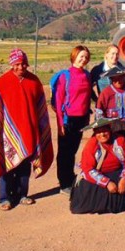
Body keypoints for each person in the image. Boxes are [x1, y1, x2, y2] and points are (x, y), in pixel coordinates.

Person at [0, 49, 54, 211]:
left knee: (24, 166)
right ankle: (5, 198)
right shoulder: (2, 83)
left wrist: (40, 129)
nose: (20, 67)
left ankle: (22, 194)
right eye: (17, 64)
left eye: (23, 63)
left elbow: (41, 110)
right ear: (11, 64)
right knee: (7, 165)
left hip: (29, 131)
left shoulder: (34, 82)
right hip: (7, 134)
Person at [70, 117, 125, 214]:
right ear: (95, 133)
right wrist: (107, 183)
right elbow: (87, 169)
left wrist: (124, 178)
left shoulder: (120, 140)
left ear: (110, 130)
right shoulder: (92, 144)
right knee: (86, 185)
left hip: (118, 173)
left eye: (105, 131)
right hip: (97, 174)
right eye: (99, 132)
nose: (102, 134)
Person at [55, 45, 92, 195]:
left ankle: (70, 178)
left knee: (73, 150)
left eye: (85, 57)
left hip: (81, 118)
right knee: (65, 152)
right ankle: (64, 183)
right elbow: (58, 100)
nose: (83, 59)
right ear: (74, 56)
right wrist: (59, 123)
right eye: (81, 56)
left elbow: (87, 97)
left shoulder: (87, 75)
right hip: (67, 119)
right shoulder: (65, 76)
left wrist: (88, 118)